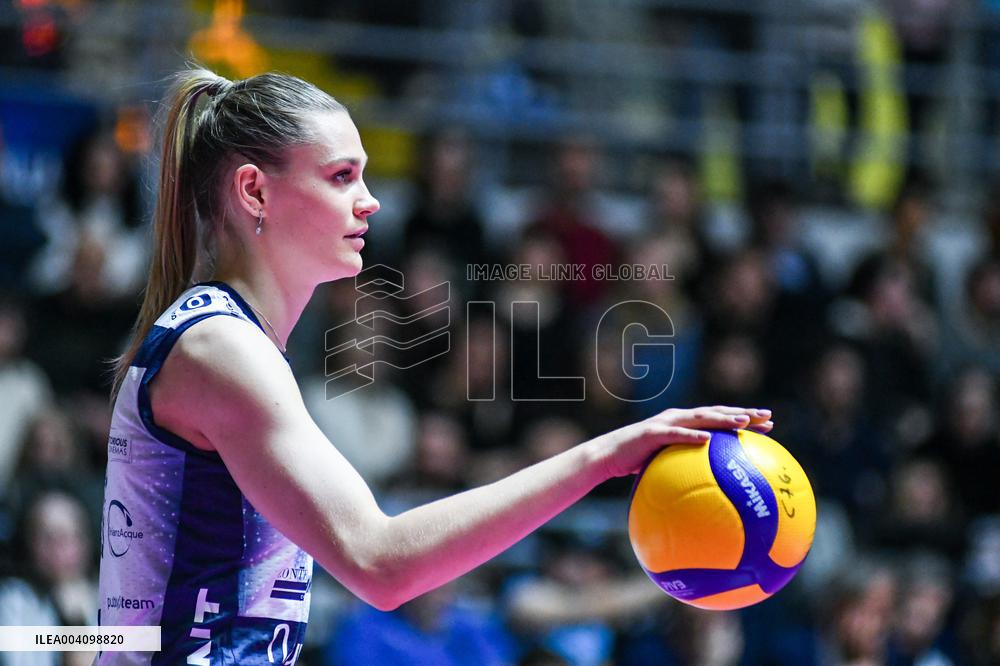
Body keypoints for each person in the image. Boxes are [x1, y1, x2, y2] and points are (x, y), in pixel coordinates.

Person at [97, 67, 774, 664]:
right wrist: (606, 455)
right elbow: (380, 563)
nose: (371, 200)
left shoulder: (225, 339)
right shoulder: (222, 349)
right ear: (254, 191)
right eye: (341, 176)